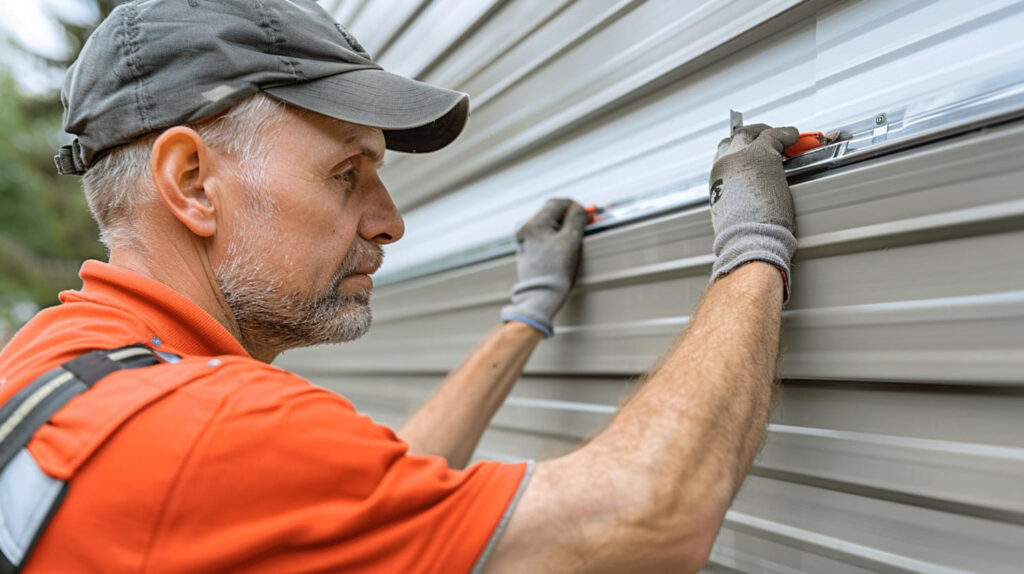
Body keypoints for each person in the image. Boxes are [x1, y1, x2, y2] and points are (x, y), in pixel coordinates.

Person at [0, 1, 799, 572]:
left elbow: (367, 503)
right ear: (192, 182)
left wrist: (526, 315)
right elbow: (643, 521)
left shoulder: (60, 361)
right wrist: (754, 241)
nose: (389, 222)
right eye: (347, 173)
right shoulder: (212, 434)